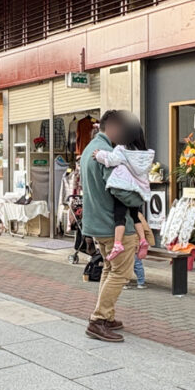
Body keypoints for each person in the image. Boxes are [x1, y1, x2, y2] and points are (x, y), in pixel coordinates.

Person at [80, 110, 142, 342]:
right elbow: (117, 188)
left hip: (96, 222)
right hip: (113, 223)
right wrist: (138, 197)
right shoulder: (107, 153)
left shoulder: (90, 149)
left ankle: (106, 316)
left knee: (109, 268)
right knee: (121, 273)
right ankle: (98, 320)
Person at [93, 119, 154, 263]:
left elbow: (111, 159)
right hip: (138, 190)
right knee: (135, 214)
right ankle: (143, 239)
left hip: (124, 188)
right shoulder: (145, 154)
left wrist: (98, 155)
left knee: (119, 216)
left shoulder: (122, 149)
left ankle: (117, 244)